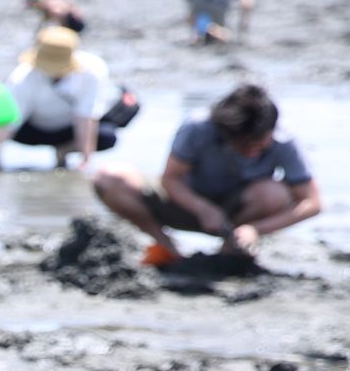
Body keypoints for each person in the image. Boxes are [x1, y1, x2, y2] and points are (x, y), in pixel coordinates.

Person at [91, 83, 322, 265]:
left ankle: (232, 249)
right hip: (185, 203)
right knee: (109, 177)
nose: (251, 151)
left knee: (274, 193)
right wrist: (202, 208)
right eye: (243, 145)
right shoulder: (199, 127)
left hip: (242, 211)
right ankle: (167, 247)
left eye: (258, 144)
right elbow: (171, 178)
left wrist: (255, 230)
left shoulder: (284, 141)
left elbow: (312, 203)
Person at [0, 26, 117, 172]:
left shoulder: (91, 71)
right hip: (33, 130)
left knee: (107, 135)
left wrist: (86, 160)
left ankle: (64, 151)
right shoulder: (22, 78)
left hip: (68, 129)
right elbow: (9, 121)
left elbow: (85, 117)